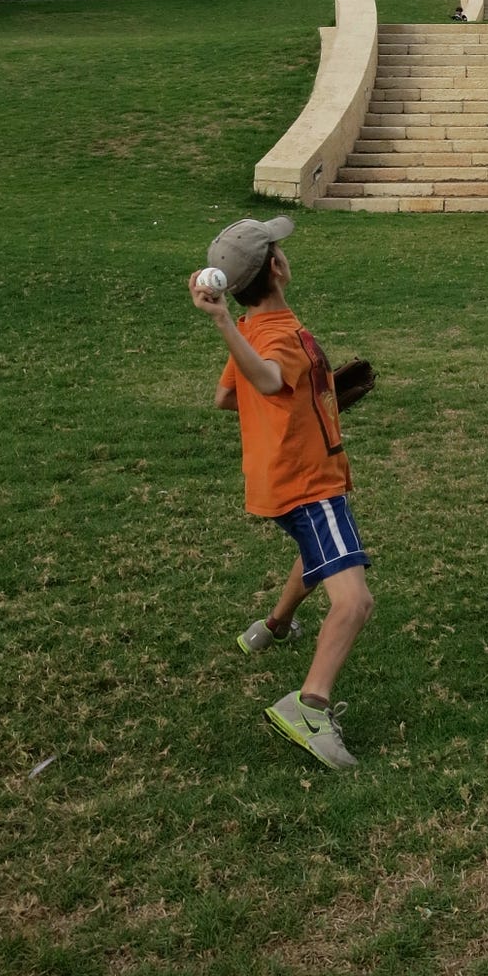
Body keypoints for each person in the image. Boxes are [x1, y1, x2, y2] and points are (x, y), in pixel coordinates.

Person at [189, 215, 374, 771]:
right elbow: (269, 381)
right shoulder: (273, 335)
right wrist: (222, 322)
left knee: (317, 554)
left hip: (284, 478)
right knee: (355, 602)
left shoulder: (256, 329)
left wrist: (313, 397)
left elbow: (229, 396)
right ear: (276, 267)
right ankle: (310, 706)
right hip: (308, 482)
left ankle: (272, 627)